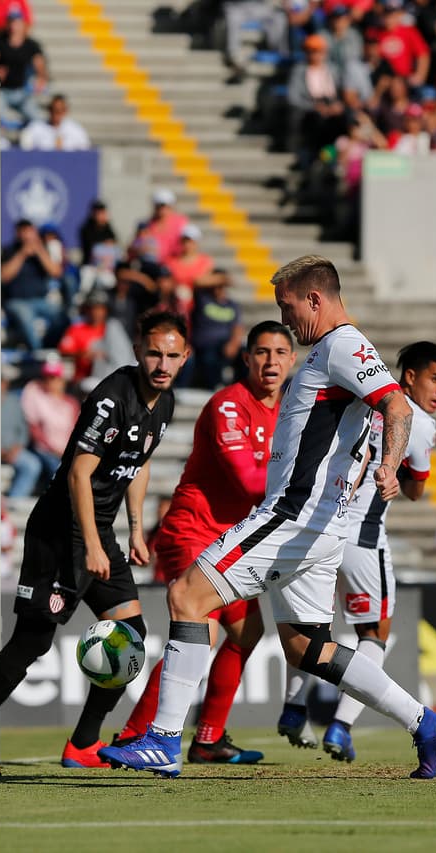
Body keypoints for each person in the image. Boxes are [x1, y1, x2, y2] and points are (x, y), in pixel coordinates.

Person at [98, 255, 436, 779]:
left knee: (185, 596)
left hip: (294, 516)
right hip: (322, 528)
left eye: (287, 307)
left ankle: (161, 739)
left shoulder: (342, 343)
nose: (286, 320)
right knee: (306, 647)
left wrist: (388, 465)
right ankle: (425, 722)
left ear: (314, 299)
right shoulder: (340, 350)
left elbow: (398, 409)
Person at [0, 312, 187, 771]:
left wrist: (134, 527)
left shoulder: (165, 404)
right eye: (154, 352)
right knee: (33, 642)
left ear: (185, 357)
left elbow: (139, 462)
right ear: (137, 351)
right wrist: (91, 543)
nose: (162, 363)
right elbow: (78, 472)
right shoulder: (112, 397)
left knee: (131, 635)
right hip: (58, 533)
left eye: (172, 355)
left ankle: (83, 744)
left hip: (100, 530)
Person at [116, 322, 296, 764]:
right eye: (261, 352)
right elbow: (249, 480)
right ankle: (134, 735)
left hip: (234, 541)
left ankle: (208, 738)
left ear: (293, 361)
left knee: (248, 633)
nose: (270, 361)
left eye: (279, 352)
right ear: (246, 358)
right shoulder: (229, 406)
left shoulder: (290, 412)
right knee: (202, 630)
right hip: (194, 529)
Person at [300, 341, 436, 763]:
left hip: (319, 529)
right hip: (364, 538)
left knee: (311, 627)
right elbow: (416, 489)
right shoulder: (417, 421)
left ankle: (295, 708)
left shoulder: (364, 403)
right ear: (410, 376)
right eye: (435, 379)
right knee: (374, 633)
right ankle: (341, 724)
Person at [1, 219, 65, 351]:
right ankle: (38, 352)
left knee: (62, 316)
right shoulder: (9, 251)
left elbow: (56, 272)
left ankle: (49, 346)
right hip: (17, 301)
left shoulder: (43, 250)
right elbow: (4, 276)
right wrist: (22, 254)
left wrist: (39, 251)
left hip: (41, 300)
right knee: (26, 317)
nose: (26, 235)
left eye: (29, 231)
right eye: (22, 231)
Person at [19, 93, 91, 151]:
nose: (56, 113)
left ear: (66, 111)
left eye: (60, 110)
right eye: (53, 110)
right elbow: (25, 148)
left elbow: (85, 151)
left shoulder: (76, 130)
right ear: (49, 110)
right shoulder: (36, 127)